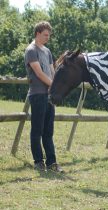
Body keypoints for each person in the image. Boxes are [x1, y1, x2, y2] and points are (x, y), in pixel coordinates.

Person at [24, 21, 63, 173]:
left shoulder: (47, 51)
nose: (48, 38)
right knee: (37, 130)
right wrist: (53, 86)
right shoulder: (31, 50)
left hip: (48, 96)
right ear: (37, 33)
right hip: (38, 94)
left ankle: (52, 162)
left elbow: (52, 71)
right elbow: (39, 73)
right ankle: (38, 161)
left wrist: (55, 89)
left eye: (49, 35)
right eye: (45, 35)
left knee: (48, 131)